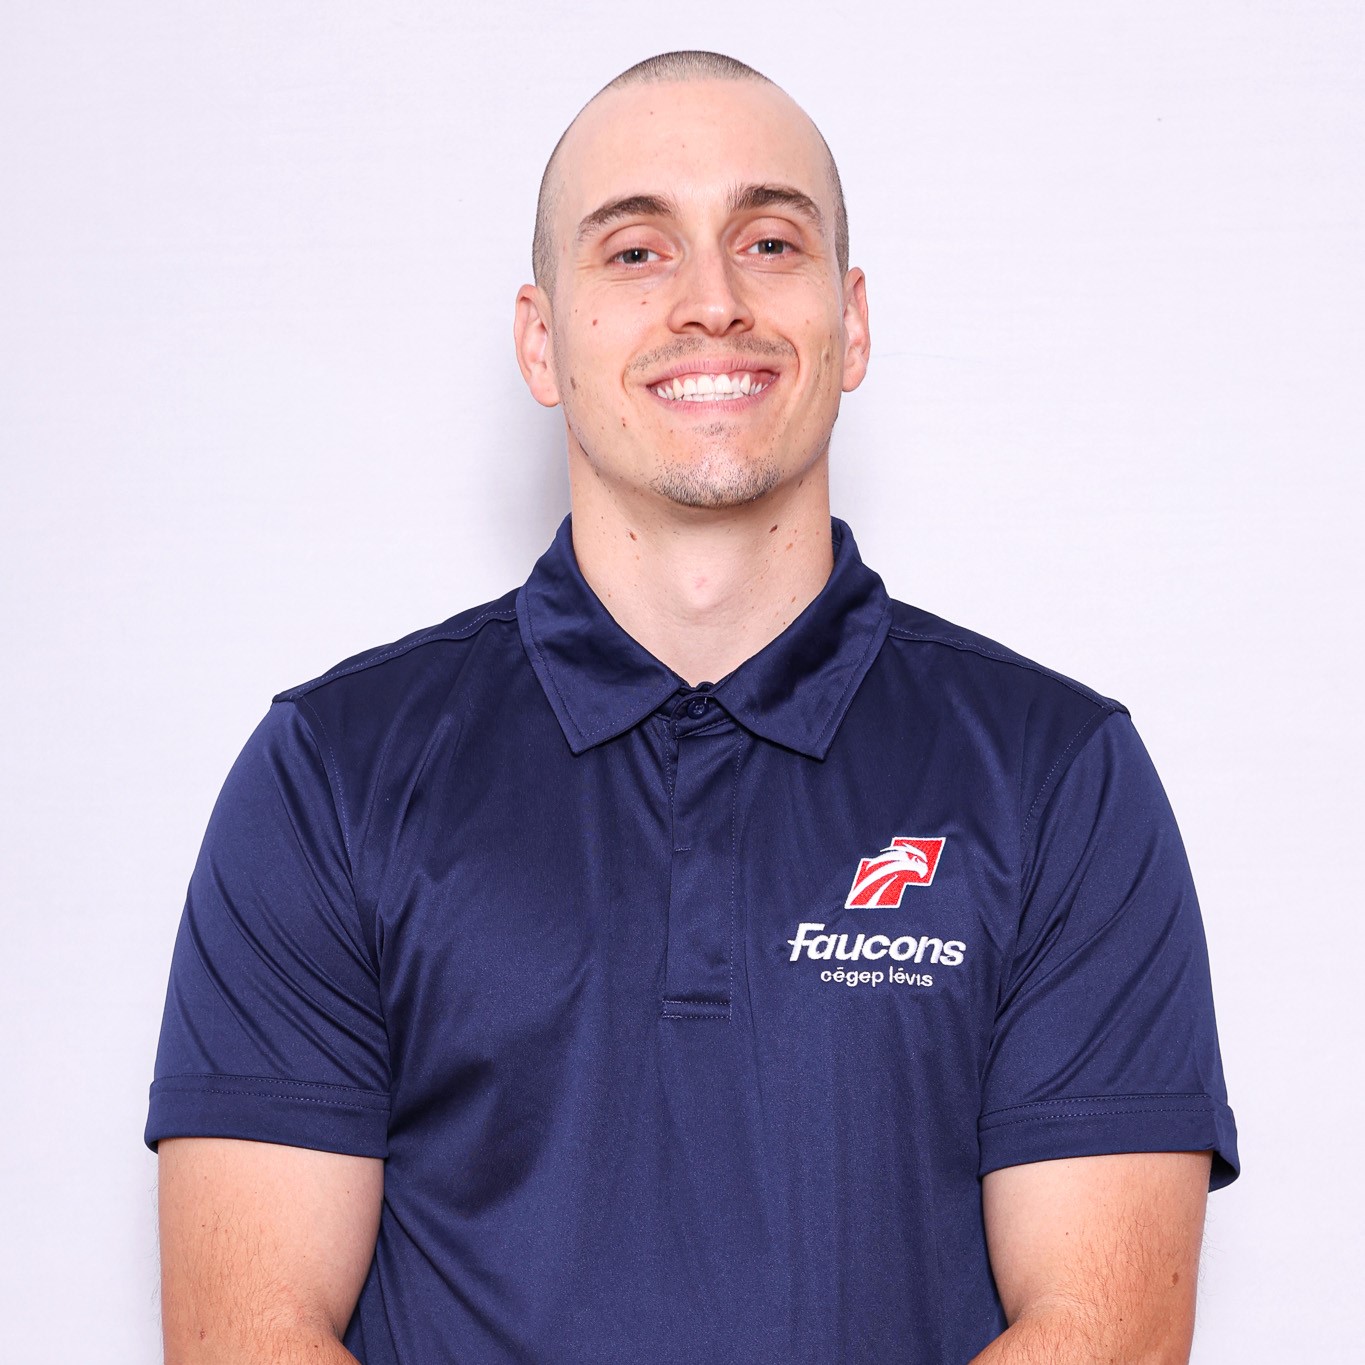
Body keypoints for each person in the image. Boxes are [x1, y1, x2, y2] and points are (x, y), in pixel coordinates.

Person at [147, 49, 1238, 1365]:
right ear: (542, 341)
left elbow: (1106, 1332)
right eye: (635, 252)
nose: (712, 301)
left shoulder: (1058, 777)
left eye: (768, 242)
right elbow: (245, 1333)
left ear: (851, 322)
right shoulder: (329, 775)